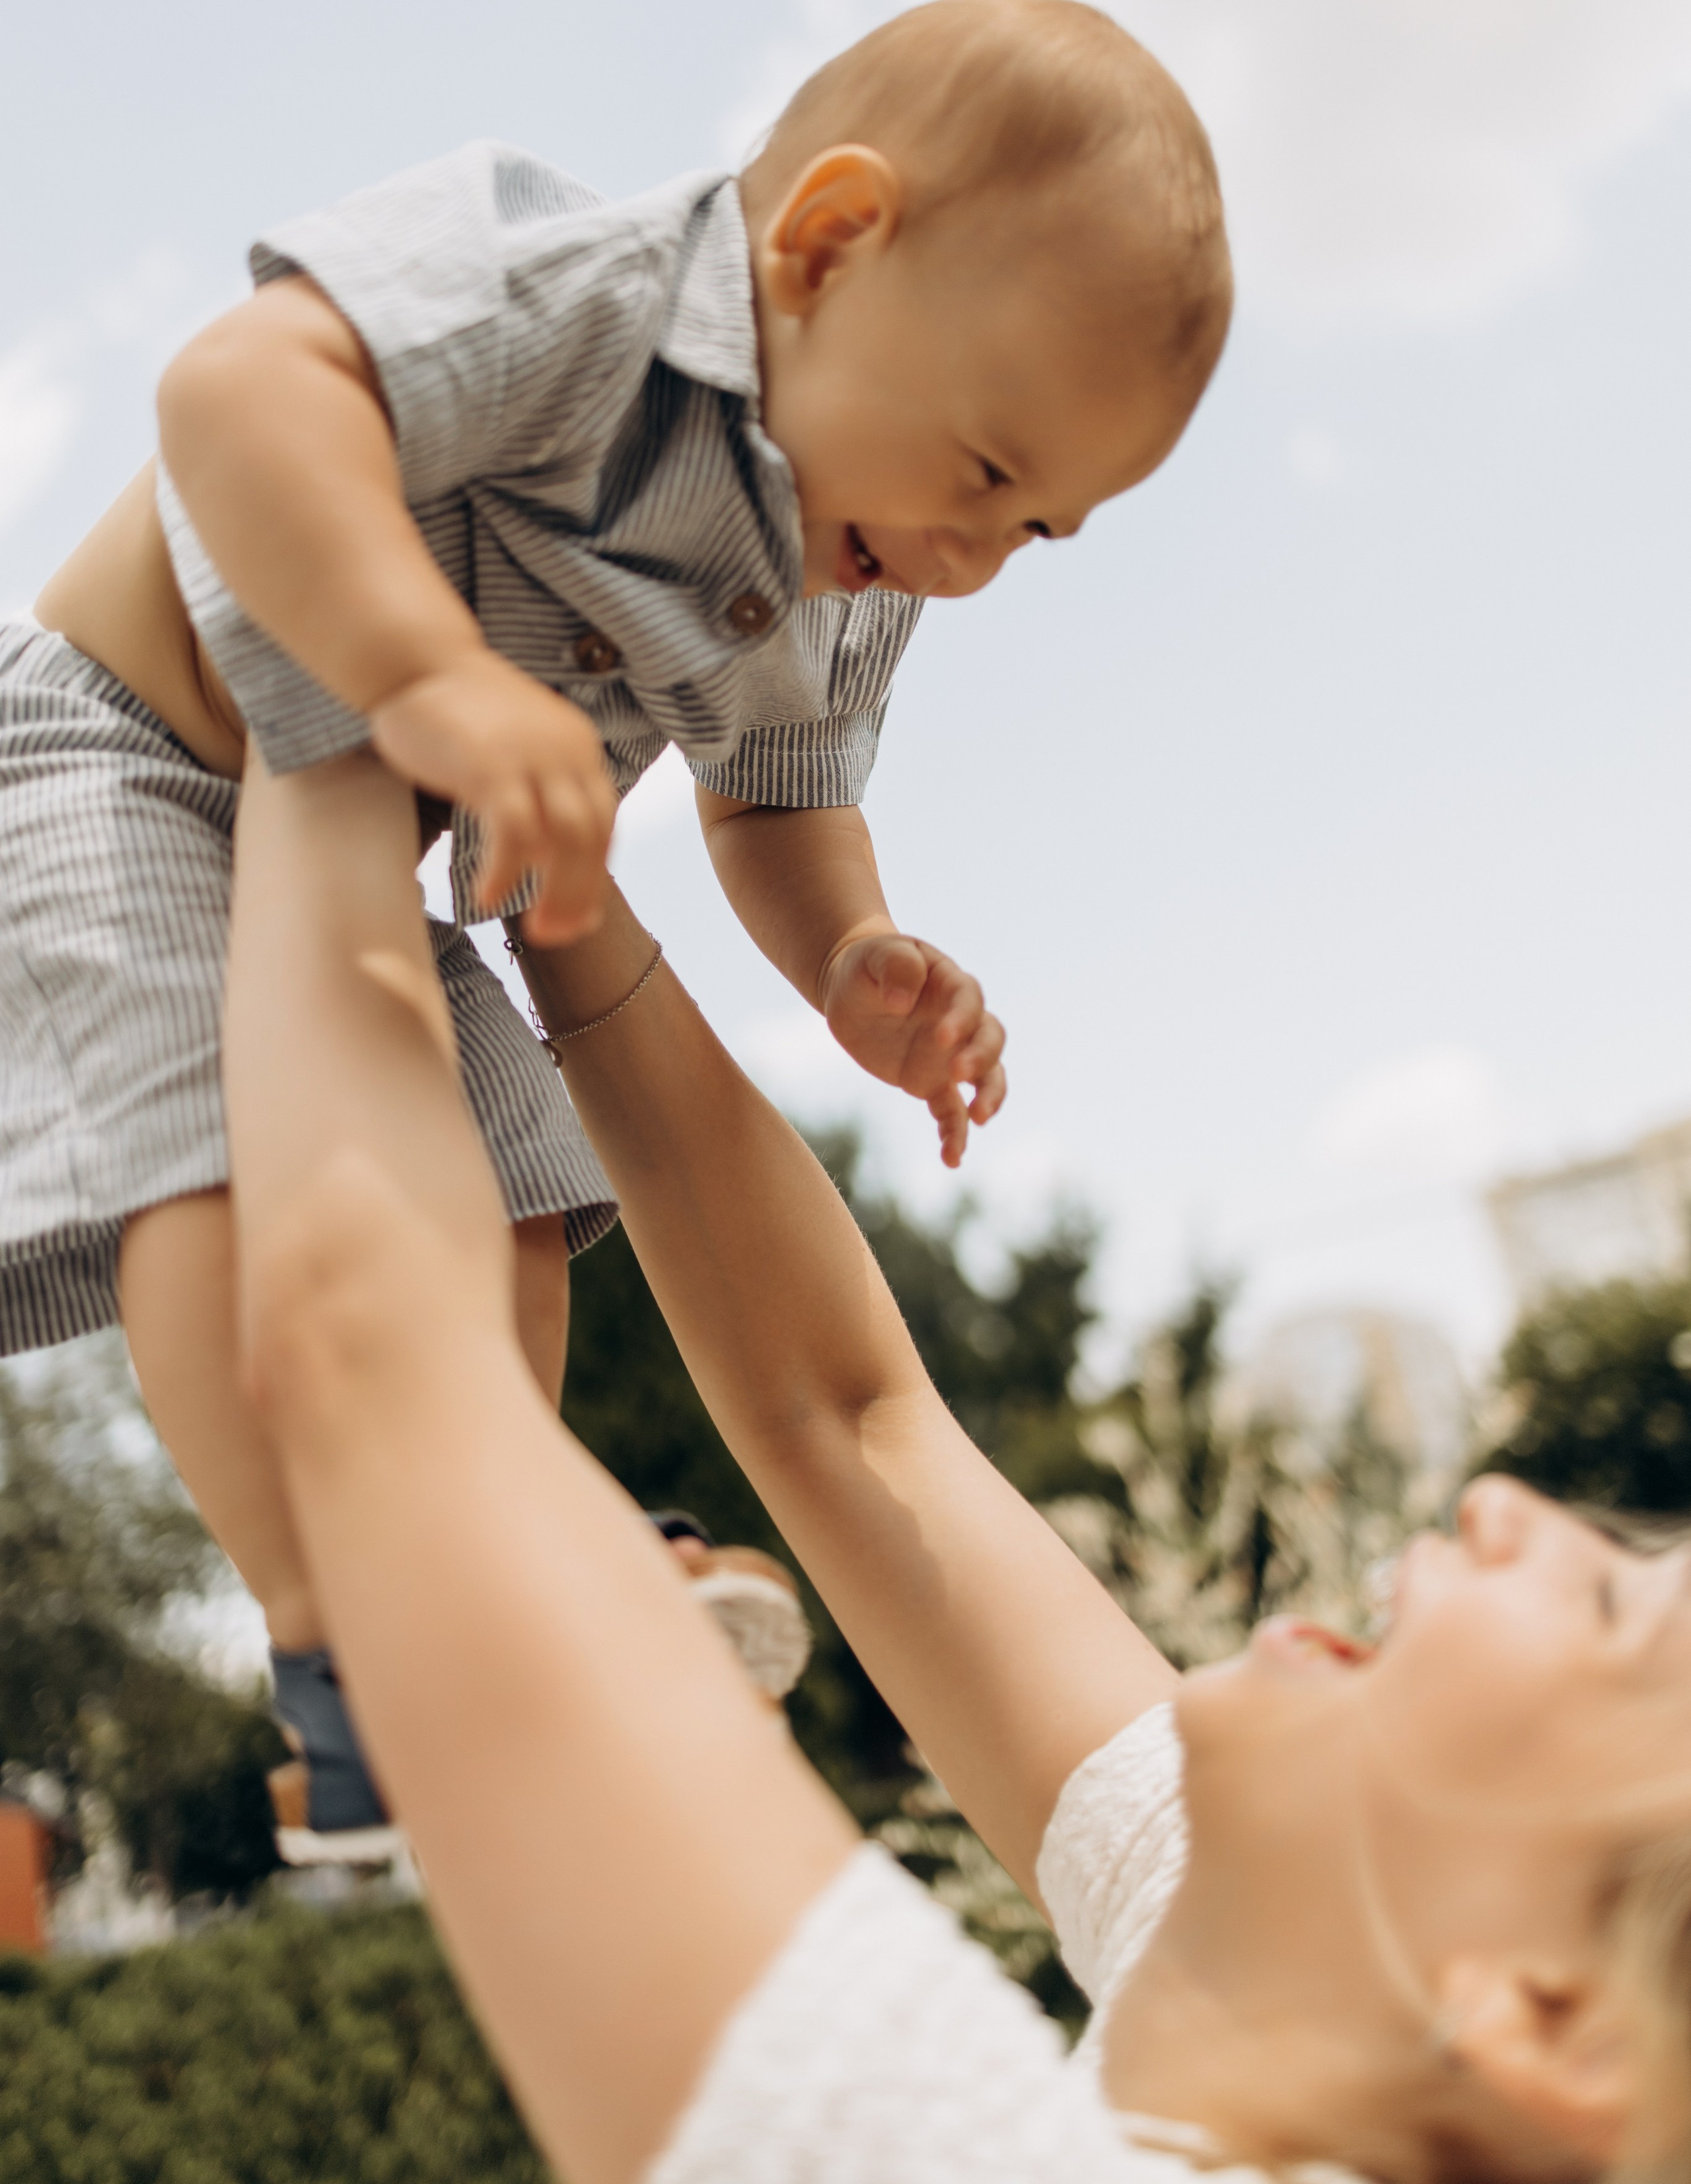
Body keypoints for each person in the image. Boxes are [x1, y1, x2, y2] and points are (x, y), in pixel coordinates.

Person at [1, 0, 1231, 1827]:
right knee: (220, 1168)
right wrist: (427, 673)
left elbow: (779, 800)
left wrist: (846, 954)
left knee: (520, 1185)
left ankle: (506, 1571)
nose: (974, 562)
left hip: (365, 854)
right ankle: (337, 1633)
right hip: (125, 758)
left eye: (1037, 529)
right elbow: (236, 395)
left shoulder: (858, 567)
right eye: (986, 472)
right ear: (826, 244)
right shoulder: (578, 297)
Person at [226, 744, 1691, 2184]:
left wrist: (328, 703)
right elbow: (843, 1416)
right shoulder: (1290, 1954)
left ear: (1552, 2026)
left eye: (1619, 1610)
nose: (1511, 1506)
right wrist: (556, 893)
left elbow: (368, 1371)